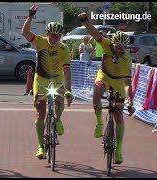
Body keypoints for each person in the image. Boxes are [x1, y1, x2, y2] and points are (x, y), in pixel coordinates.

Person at [77, 12, 136, 164]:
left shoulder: (127, 59)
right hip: (104, 75)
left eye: (124, 47)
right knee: (96, 92)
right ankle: (99, 122)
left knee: (118, 115)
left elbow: (128, 83)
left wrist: (130, 102)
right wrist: (85, 22)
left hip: (118, 82)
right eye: (118, 46)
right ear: (113, 43)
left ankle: (119, 151)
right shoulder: (106, 44)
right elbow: (94, 33)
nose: (121, 49)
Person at [21, 4, 74, 159]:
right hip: (41, 79)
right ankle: (41, 146)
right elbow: (25, 33)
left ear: (60, 37)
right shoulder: (40, 42)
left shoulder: (64, 49)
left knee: (59, 99)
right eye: (52, 35)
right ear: (48, 34)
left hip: (57, 79)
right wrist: (30, 16)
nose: (54, 38)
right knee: (40, 112)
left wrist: (68, 89)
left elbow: (67, 70)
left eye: (57, 36)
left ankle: (58, 120)